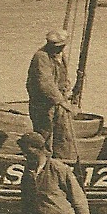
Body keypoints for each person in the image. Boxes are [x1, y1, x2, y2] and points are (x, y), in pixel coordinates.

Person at [26, 29, 78, 157]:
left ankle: (62, 162)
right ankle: (44, 162)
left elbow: (62, 76)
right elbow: (46, 84)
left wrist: (67, 89)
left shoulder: (60, 56)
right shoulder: (41, 56)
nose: (59, 49)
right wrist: (63, 103)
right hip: (42, 104)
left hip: (57, 103)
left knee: (62, 135)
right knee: (45, 135)